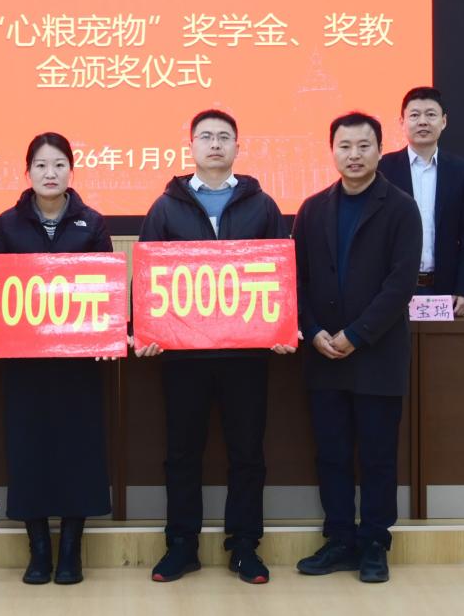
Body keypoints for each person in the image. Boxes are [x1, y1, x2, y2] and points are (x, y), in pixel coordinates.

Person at [135, 109, 290, 586]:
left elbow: (282, 273)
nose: (216, 144)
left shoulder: (262, 205)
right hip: (184, 357)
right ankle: (182, 545)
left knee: (247, 453)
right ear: (191, 147)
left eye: (224, 137)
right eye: (206, 136)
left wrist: (284, 327)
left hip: (247, 355)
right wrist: (146, 333)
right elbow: (148, 278)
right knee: (182, 453)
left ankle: (245, 546)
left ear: (238, 147)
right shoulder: (166, 208)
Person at [292, 112, 421, 584]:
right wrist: (313, 331)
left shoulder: (401, 208)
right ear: (332, 151)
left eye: (364, 146)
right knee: (331, 454)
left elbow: (400, 284)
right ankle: (340, 540)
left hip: (377, 355)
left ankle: (375, 544)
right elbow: (296, 280)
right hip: (323, 353)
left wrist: (356, 334)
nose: (354, 155)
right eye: (344, 146)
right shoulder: (312, 209)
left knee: (377, 456)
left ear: (380, 150)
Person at [0, 133, 113, 586]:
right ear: (28, 173)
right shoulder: (7, 225)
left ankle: (71, 550)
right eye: (40, 165)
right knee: (29, 449)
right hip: (26, 362)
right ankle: (38, 549)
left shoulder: (92, 223)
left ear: (71, 171)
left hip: (77, 363)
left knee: (79, 450)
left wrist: (105, 334)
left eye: (59, 164)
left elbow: (105, 288)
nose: (50, 173)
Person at [378, 86, 464, 315]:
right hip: (391, 288)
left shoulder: (461, 170)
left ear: (443, 121)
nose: (423, 122)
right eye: (414, 115)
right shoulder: (383, 169)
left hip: (444, 291)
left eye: (431, 114)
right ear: (402, 122)